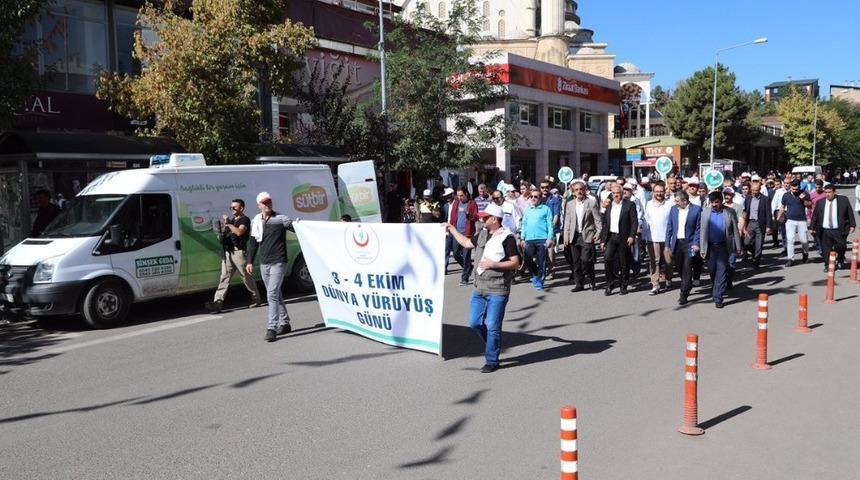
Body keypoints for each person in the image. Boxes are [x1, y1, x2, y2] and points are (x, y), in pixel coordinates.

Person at [445, 203, 520, 373]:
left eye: (485, 217)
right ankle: (494, 344)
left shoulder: (507, 238)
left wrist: (494, 264)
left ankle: (492, 360)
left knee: (492, 325)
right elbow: (466, 243)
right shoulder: (482, 233)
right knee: (474, 323)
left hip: (498, 288)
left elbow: (515, 263)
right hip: (479, 287)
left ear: (494, 219)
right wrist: (452, 228)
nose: (481, 219)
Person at [246, 192, 295, 342]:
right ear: (259, 205)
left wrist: (300, 224)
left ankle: (272, 328)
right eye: (264, 202)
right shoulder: (256, 221)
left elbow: (297, 228)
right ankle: (285, 323)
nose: (268, 204)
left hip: (279, 262)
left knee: (271, 294)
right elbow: (253, 242)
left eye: (269, 202)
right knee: (275, 293)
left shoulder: (281, 219)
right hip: (264, 263)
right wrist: (249, 261)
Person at [205, 199, 261, 313]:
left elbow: (239, 232)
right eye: (231, 207)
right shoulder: (231, 221)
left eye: (234, 207)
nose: (232, 209)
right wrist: (221, 234)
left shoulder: (244, 220)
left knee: (246, 277)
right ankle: (217, 303)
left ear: (241, 208)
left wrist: (228, 224)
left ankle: (256, 298)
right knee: (224, 277)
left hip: (239, 253)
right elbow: (224, 236)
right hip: (228, 253)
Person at [698, 191, 743, 309]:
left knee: (722, 272)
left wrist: (738, 247)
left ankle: (718, 297)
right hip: (710, 247)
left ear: (721, 201)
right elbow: (702, 231)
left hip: (724, 246)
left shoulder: (729, 212)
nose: (714, 204)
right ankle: (716, 288)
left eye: (716, 202)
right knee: (712, 270)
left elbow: (735, 230)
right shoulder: (705, 212)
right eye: (712, 202)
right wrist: (702, 248)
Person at [562, 179, 602, 291]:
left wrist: (598, 233)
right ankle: (579, 284)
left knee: (586, 260)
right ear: (573, 192)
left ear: (584, 190)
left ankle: (592, 279)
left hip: (587, 235)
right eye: (576, 190)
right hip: (574, 236)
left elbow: (597, 220)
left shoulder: (591, 203)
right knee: (576, 262)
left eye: (581, 189)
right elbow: (567, 221)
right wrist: (565, 236)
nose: (579, 191)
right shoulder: (570, 204)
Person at [600, 183, 638, 295]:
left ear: (622, 193)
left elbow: (634, 221)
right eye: (614, 193)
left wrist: (632, 235)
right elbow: (605, 223)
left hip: (624, 237)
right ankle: (610, 284)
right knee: (607, 258)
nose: (616, 195)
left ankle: (623, 285)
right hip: (611, 237)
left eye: (618, 193)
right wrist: (603, 240)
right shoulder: (609, 205)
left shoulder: (629, 205)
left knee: (624, 262)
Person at [665, 191, 701, 305]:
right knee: (679, 267)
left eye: (677, 201)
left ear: (685, 201)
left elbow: (699, 228)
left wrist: (696, 243)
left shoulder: (696, 210)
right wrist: (667, 244)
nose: (675, 202)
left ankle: (684, 293)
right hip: (677, 244)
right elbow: (669, 227)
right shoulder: (673, 209)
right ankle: (687, 282)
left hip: (690, 244)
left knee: (687, 266)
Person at [810, 184, 856, 270]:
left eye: (829, 192)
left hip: (839, 229)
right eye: (826, 192)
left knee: (841, 246)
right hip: (825, 230)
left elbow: (849, 212)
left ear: (834, 192)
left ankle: (840, 259)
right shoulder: (820, 202)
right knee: (826, 249)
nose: (827, 194)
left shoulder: (843, 200)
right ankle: (828, 265)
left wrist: (852, 225)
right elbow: (815, 216)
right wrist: (812, 227)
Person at [642, 181, 672, 295]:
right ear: (653, 192)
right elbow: (646, 220)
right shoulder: (649, 204)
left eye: (661, 191)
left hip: (667, 238)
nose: (659, 193)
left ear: (664, 192)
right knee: (655, 261)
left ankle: (668, 279)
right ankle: (655, 284)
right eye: (657, 191)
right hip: (652, 238)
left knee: (668, 261)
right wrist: (644, 237)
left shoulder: (669, 204)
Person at [520, 188, 554, 290]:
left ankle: (540, 280)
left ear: (540, 198)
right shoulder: (528, 209)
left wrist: (550, 238)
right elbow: (524, 224)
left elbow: (550, 225)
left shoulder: (546, 209)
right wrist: (522, 238)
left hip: (542, 238)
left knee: (541, 261)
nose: (533, 198)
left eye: (536, 196)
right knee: (527, 259)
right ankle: (535, 275)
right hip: (529, 239)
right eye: (531, 196)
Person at [778, 179, 811, 267]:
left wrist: (803, 199)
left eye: (796, 189)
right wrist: (778, 217)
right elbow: (782, 207)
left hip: (801, 220)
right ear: (790, 187)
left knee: (804, 240)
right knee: (790, 240)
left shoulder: (804, 194)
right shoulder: (786, 195)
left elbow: (809, 205)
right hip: (790, 220)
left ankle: (805, 254)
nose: (794, 191)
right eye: (793, 189)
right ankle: (790, 259)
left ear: (799, 187)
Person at [449, 187, 478, 285]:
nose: (459, 197)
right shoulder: (456, 203)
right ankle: (469, 267)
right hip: (457, 233)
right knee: (456, 254)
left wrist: (469, 214)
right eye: (458, 195)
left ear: (466, 194)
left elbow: (475, 217)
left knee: (466, 257)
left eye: (461, 195)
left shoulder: (472, 203)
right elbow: (452, 217)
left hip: (467, 234)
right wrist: (450, 229)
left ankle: (464, 278)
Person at [742, 182, 772, 268]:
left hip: (760, 224)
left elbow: (768, 214)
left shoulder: (765, 199)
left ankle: (756, 261)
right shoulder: (748, 198)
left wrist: (768, 226)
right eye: (753, 190)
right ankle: (754, 253)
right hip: (750, 223)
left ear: (760, 190)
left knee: (759, 245)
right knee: (746, 243)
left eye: (756, 190)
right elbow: (745, 211)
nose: (754, 192)